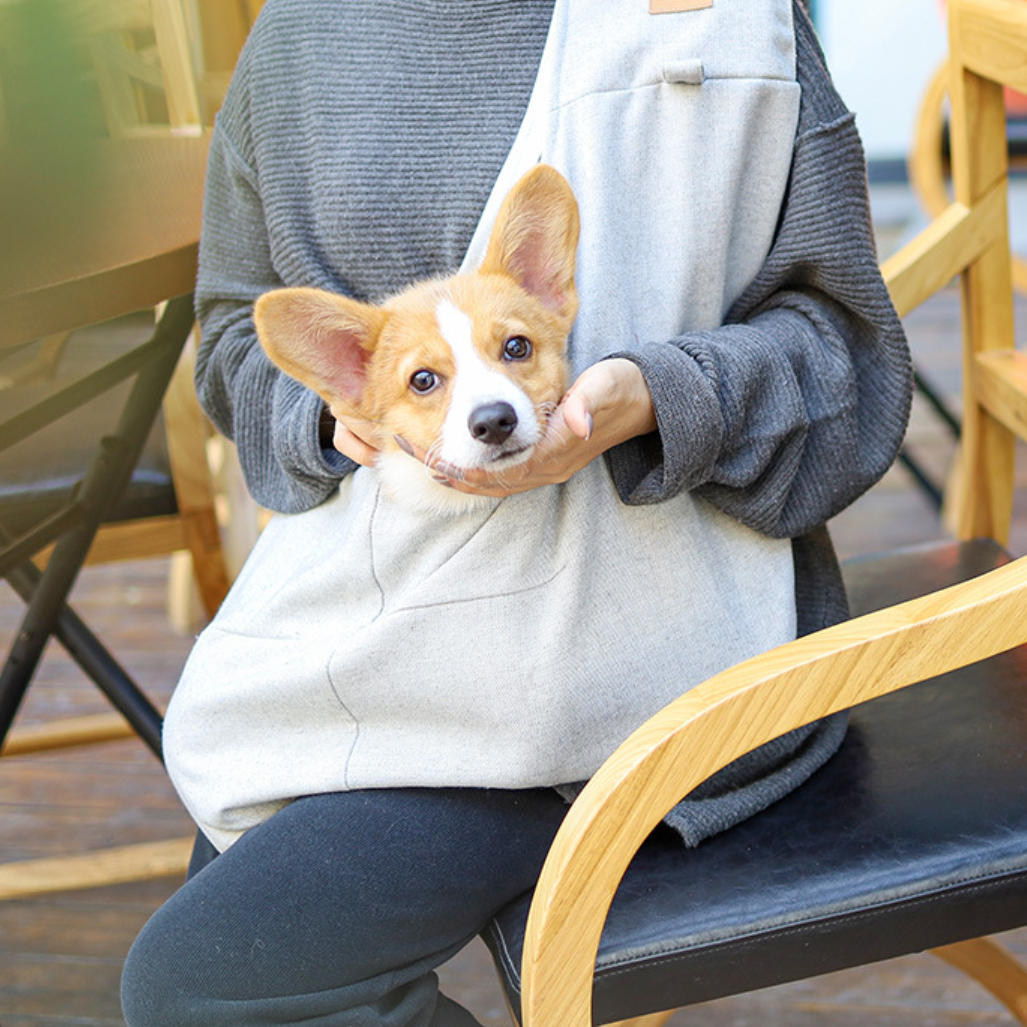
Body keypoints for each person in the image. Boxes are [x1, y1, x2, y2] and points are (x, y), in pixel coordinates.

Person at [121, 1, 912, 1025]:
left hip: (642, 661)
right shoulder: (296, 42)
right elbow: (237, 333)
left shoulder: (728, 23)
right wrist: (335, 415)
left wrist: (647, 399)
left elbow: (849, 360)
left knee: (206, 982)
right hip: (382, 642)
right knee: (224, 927)